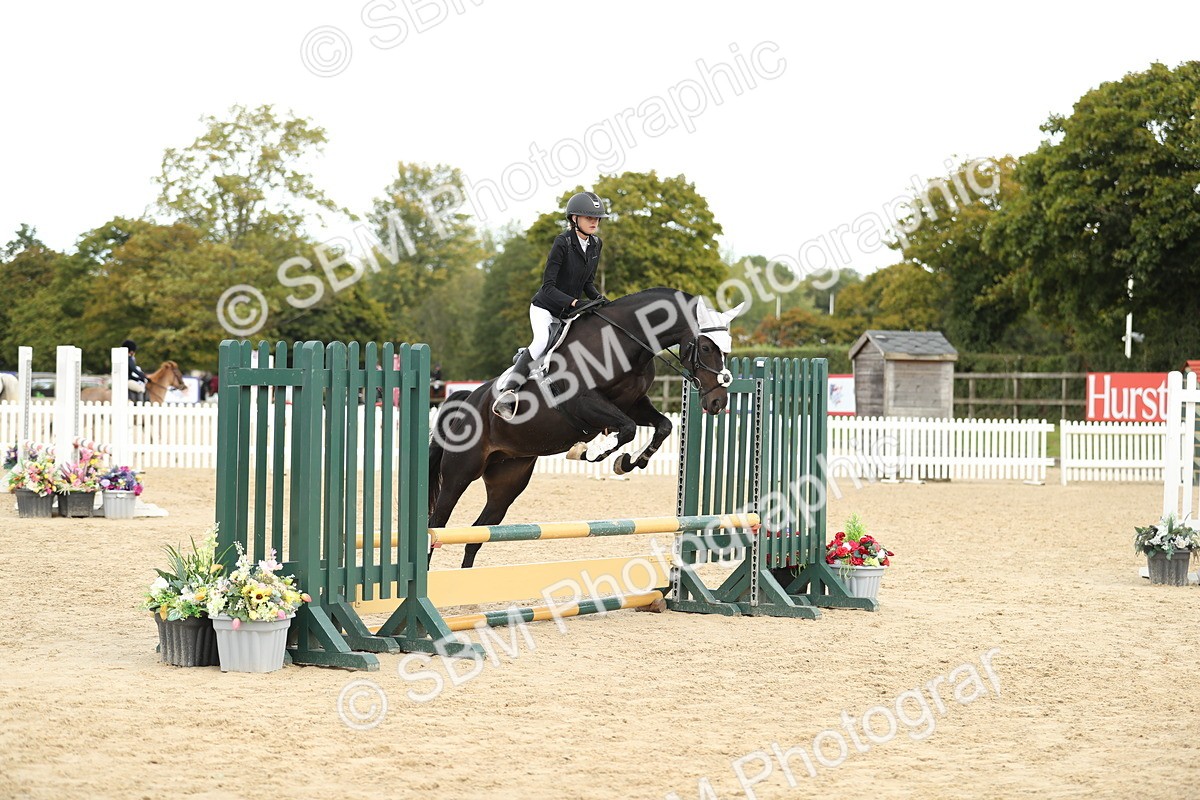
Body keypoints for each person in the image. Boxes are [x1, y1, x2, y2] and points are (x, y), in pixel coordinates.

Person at [492, 191, 610, 420]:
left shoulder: (596, 244)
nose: (595, 221)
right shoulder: (562, 242)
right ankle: (508, 392)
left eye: (597, 218)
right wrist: (575, 302)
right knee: (541, 341)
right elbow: (548, 287)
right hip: (545, 308)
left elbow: (588, 282)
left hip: (570, 313)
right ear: (574, 219)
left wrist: (599, 300)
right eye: (589, 217)